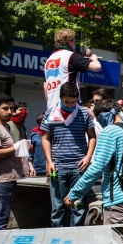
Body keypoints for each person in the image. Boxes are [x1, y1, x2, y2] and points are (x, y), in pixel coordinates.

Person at [65, 118, 123, 226]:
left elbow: (96, 168)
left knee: (114, 241)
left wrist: (74, 194)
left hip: (118, 202)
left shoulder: (110, 131)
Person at [41, 82, 97, 227]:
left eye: (73, 102)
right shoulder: (50, 114)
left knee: (78, 207)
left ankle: (75, 238)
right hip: (58, 167)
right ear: (60, 98)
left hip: (79, 167)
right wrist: (49, 161)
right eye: (67, 102)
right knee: (57, 208)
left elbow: (92, 137)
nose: (71, 105)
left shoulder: (84, 113)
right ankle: (56, 238)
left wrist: (88, 157)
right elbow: (45, 138)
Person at [0, 94, 24, 230]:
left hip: (6, 181)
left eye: (11, 108)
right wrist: (15, 147)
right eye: (5, 108)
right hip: (0, 182)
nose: (10, 112)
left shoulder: (5, 126)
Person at [44, 29, 101, 111]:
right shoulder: (71, 56)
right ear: (69, 41)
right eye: (74, 41)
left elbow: (45, 87)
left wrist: (50, 106)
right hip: (70, 106)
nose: (75, 45)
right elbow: (97, 67)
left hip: (52, 108)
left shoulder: (49, 60)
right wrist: (95, 59)